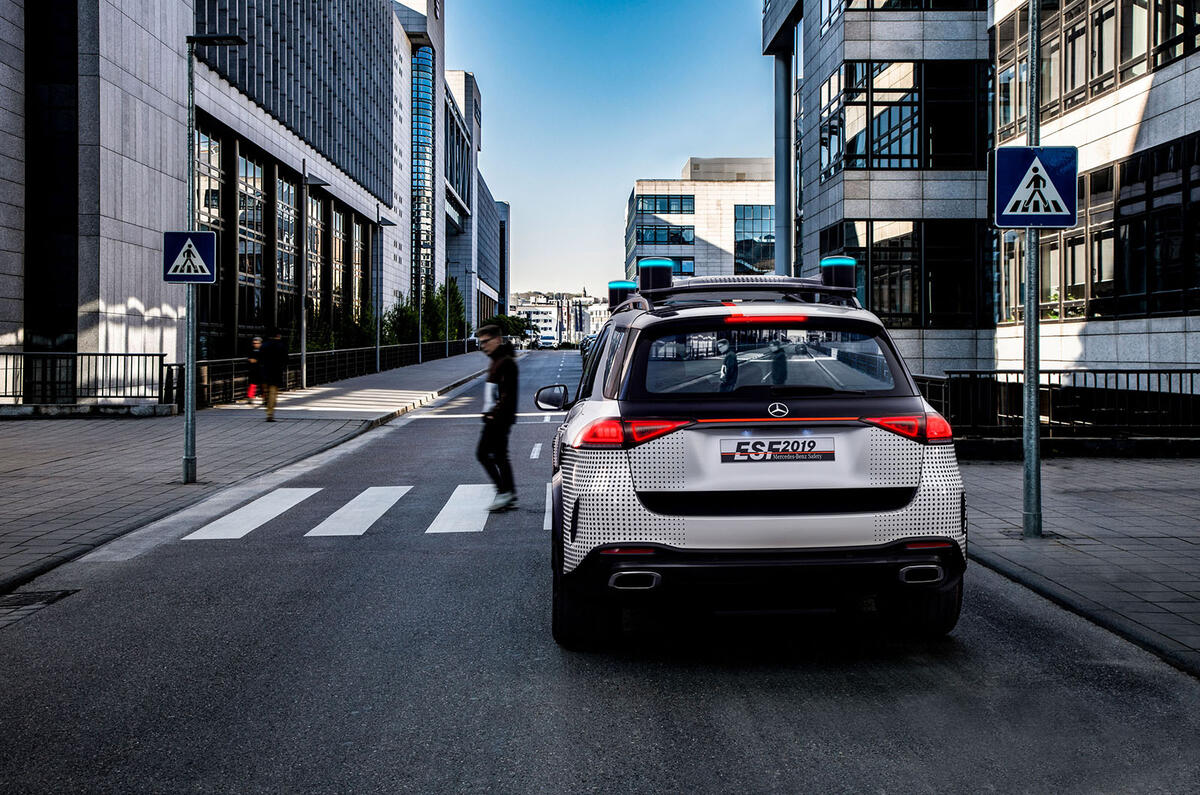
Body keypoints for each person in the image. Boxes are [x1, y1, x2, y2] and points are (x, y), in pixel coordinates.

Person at [476, 325, 518, 511]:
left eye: (486, 341)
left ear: (498, 340)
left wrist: (494, 415)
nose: (483, 346)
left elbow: (508, 394)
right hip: (496, 417)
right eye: (480, 343)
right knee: (500, 456)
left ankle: (504, 492)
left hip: (498, 419)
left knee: (483, 454)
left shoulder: (505, 362)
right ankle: (508, 493)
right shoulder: (497, 360)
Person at [260, 328, 287, 422]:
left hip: (265, 372)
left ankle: (266, 403)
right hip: (276, 372)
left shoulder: (264, 345)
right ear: (278, 336)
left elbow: (260, 359)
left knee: (266, 392)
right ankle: (270, 413)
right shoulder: (281, 346)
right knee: (273, 393)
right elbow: (285, 359)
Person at [247, 336, 264, 404]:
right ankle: (250, 398)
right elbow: (249, 358)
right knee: (252, 384)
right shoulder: (251, 349)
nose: (255, 344)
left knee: (263, 385)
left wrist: (256, 360)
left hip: (262, 369)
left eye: (257, 343)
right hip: (253, 370)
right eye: (254, 343)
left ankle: (265, 398)